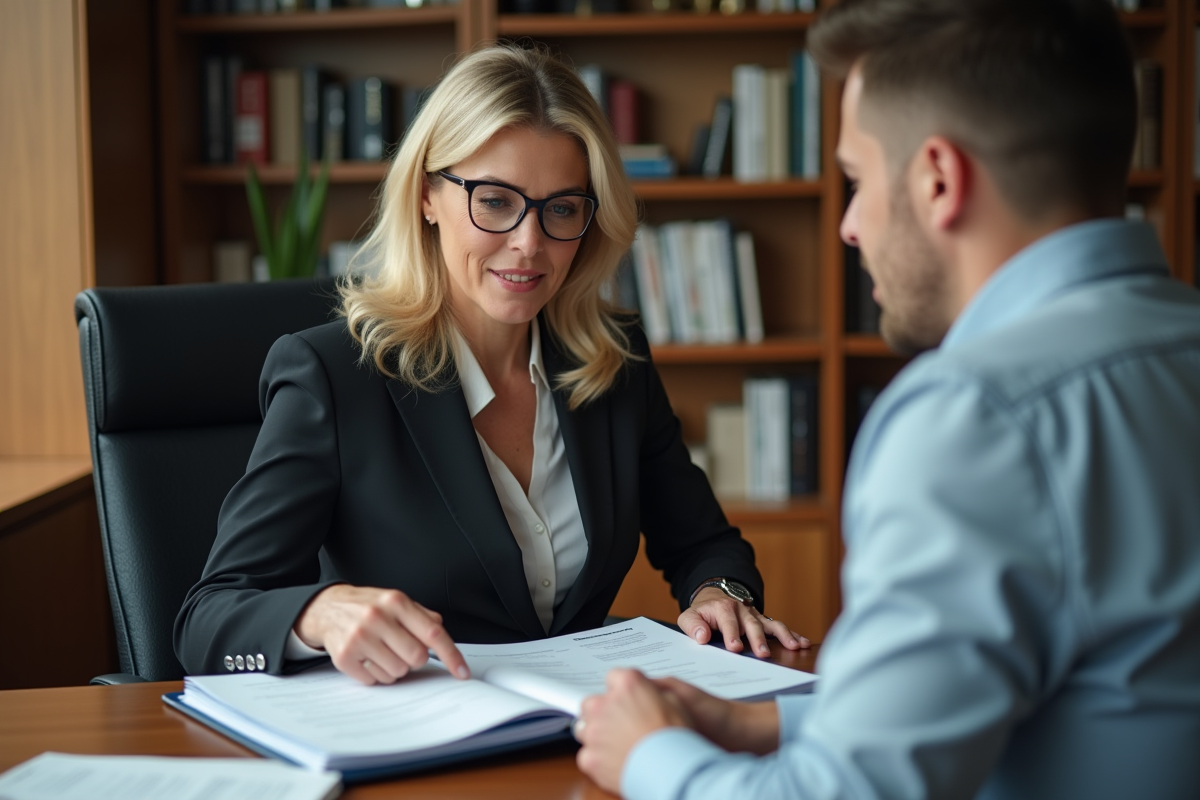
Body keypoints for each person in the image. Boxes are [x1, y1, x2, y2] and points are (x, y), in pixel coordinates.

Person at [572, 1, 1200, 798]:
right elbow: (1088, 696)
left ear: (939, 180)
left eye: (858, 181)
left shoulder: (975, 419)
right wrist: (776, 722)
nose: (848, 227)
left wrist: (651, 756)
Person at [174, 44, 808, 686]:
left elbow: (704, 543)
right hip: (421, 742)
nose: (530, 243)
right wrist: (317, 613)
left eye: (561, 209)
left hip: (584, 733)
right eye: (496, 200)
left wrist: (720, 595)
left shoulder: (613, 361)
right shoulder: (334, 377)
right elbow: (209, 619)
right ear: (427, 195)